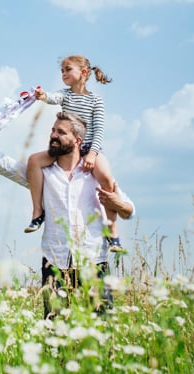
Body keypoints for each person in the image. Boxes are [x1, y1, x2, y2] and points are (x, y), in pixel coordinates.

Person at [0, 111, 135, 318]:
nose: (53, 135)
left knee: (101, 327)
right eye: (53, 130)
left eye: (61, 132)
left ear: (77, 140)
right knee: (54, 329)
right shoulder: (41, 173)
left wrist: (119, 204)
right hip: (55, 263)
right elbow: (4, 164)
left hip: (93, 262)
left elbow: (128, 210)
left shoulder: (94, 174)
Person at [25, 55, 123, 253]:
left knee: (106, 177)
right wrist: (42, 95)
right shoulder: (65, 95)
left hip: (89, 148)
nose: (63, 74)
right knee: (34, 160)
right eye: (62, 71)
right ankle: (37, 211)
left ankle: (112, 231)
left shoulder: (96, 101)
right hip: (67, 148)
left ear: (84, 73)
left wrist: (93, 154)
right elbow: (53, 98)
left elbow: (99, 130)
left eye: (67, 69)